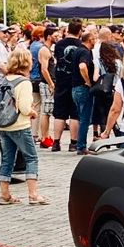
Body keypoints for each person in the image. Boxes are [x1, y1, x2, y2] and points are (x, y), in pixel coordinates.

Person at [0, 48, 47, 205]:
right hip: (19, 125)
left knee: (7, 159)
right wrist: (33, 112)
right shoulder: (24, 83)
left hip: (3, 126)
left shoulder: (6, 79)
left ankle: (5, 194)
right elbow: (24, 107)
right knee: (31, 157)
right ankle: (33, 194)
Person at [51, 19, 84, 152]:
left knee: (59, 113)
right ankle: (73, 142)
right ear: (80, 31)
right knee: (75, 114)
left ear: (68, 29)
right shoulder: (81, 45)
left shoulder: (59, 45)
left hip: (61, 81)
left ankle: (56, 142)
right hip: (77, 82)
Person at [71, 30, 97, 155]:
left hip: (75, 88)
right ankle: (81, 146)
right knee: (85, 119)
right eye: (94, 38)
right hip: (83, 88)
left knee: (81, 116)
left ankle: (79, 144)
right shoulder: (85, 52)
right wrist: (87, 81)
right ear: (90, 40)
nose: (95, 41)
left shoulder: (77, 50)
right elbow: (82, 66)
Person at [37, 25, 58, 148]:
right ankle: (44, 137)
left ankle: (46, 135)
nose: (57, 38)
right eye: (55, 36)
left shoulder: (49, 49)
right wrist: (51, 83)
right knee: (46, 111)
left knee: (48, 110)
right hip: (46, 83)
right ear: (49, 36)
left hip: (48, 82)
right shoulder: (44, 50)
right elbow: (44, 69)